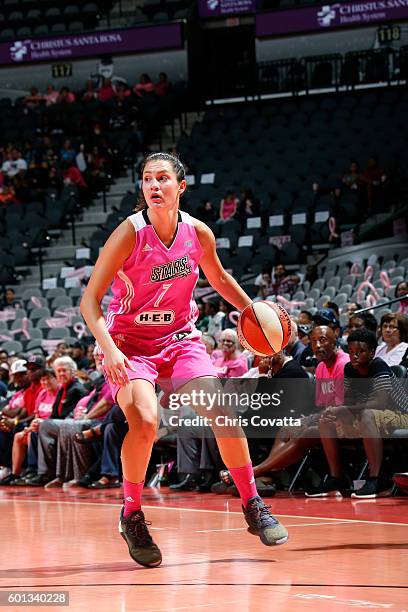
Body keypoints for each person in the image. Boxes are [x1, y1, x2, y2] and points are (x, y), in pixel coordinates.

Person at [80, 151, 289, 568]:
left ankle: (252, 503)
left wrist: (254, 315)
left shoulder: (199, 233)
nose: (153, 186)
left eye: (162, 178)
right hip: (130, 342)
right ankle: (131, 514)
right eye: (146, 179)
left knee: (222, 410)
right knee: (144, 420)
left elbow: (220, 278)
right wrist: (111, 349)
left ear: (180, 187)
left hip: (179, 338)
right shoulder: (129, 233)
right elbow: (90, 302)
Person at [313, 329, 408, 498]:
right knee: (326, 420)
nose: (354, 356)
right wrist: (335, 411)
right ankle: (337, 478)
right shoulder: (349, 369)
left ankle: (375, 479)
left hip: (400, 415)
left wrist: (345, 409)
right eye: (351, 352)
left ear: (372, 352)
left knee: (367, 415)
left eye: (360, 352)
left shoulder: (378, 365)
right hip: (371, 414)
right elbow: (348, 401)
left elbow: (381, 402)